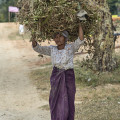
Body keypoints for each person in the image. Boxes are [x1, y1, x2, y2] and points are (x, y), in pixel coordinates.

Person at [31, 23, 84, 120]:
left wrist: (80, 24)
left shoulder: (70, 48)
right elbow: (37, 47)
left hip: (68, 76)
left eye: (60, 36)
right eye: (55, 37)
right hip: (56, 76)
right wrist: (34, 33)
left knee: (68, 99)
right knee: (56, 100)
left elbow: (80, 40)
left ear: (65, 37)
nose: (57, 39)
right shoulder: (52, 49)